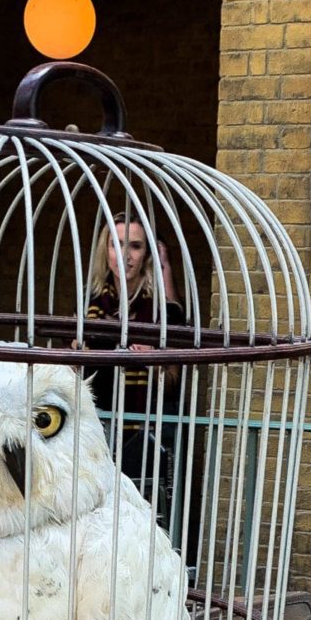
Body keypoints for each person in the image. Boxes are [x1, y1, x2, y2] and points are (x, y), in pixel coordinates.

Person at [84, 220, 185, 530]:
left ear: (147, 256)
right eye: (117, 245)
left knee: (144, 515)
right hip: (99, 428)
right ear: (106, 251)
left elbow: (175, 377)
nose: (125, 255)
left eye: (136, 246)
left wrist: (155, 362)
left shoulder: (162, 312)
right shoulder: (94, 305)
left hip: (146, 430)